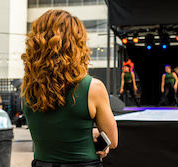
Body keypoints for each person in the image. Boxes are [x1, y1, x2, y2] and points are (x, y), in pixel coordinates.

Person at [21, 10, 118, 167]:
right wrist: (92, 133)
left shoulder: (27, 89)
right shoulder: (94, 87)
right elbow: (112, 141)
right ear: (76, 45)